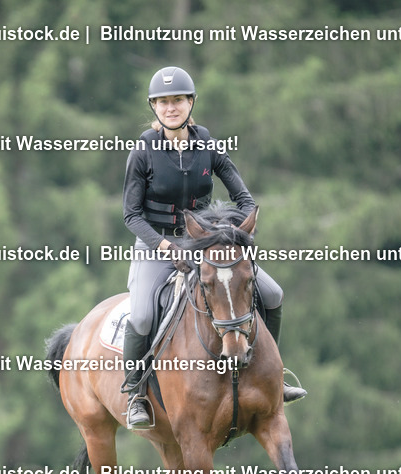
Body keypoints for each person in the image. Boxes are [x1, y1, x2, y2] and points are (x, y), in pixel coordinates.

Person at [121, 66, 307, 430]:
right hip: (156, 243)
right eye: (162, 102)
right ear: (153, 107)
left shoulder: (206, 143)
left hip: (206, 243)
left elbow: (244, 198)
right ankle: (135, 394)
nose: (170, 107)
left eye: (177, 100)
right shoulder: (142, 151)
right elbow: (130, 215)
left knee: (272, 294)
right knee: (142, 314)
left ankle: (273, 376)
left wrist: (229, 233)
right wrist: (163, 246)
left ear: (191, 103)